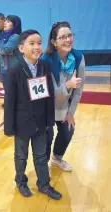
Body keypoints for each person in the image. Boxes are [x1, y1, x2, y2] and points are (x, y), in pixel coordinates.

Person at [4, 29, 62, 200]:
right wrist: (9, 127)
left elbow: (49, 95)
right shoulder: (15, 70)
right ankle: (21, 181)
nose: (37, 47)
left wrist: (49, 120)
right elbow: (10, 101)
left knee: (41, 155)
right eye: (32, 43)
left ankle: (43, 184)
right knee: (21, 156)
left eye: (39, 43)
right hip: (22, 123)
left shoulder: (45, 66)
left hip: (41, 121)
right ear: (21, 48)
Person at [41, 21, 85, 171]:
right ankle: (43, 164)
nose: (68, 40)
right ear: (54, 42)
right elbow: (50, 94)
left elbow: (79, 90)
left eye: (70, 35)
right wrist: (67, 85)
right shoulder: (45, 61)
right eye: (62, 37)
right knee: (47, 137)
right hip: (46, 106)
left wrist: (71, 113)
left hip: (64, 106)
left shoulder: (78, 57)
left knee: (68, 130)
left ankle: (56, 158)